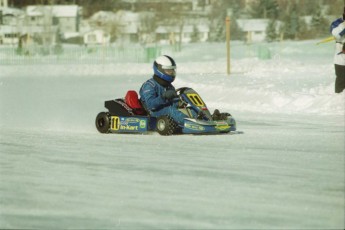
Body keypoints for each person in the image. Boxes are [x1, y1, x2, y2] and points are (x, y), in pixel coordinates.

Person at [139, 55, 189, 126]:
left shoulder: (169, 86)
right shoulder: (149, 85)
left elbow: (172, 103)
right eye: (168, 70)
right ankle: (190, 125)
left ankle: (204, 120)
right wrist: (163, 97)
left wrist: (180, 102)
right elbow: (150, 105)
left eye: (172, 70)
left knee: (190, 110)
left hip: (166, 111)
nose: (171, 73)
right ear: (159, 70)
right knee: (171, 110)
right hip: (153, 113)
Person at [330, 7, 345, 93]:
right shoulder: (337, 23)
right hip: (341, 58)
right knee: (341, 80)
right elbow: (336, 35)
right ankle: (338, 100)